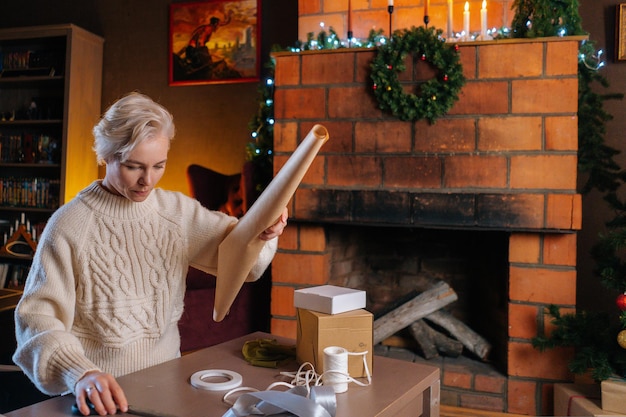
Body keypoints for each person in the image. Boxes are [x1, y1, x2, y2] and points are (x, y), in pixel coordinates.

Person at [12, 92, 288, 416]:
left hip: (167, 392)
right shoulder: (69, 226)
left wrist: (263, 232)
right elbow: (36, 321)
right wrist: (80, 373)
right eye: (134, 167)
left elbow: (247, 260)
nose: (148, 180)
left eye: (159, 165)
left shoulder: (175, 212)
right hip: (100, 402)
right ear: (107, 156)